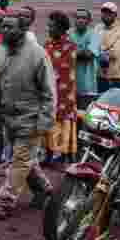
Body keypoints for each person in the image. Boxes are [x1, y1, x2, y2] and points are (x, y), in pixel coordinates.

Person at [0, 13, 57, 220]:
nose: (4, 30)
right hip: (8, 118)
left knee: (20, 159)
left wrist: (45, 121)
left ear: (22, 29)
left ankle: (4, 200)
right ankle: (44, 189)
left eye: (10, 27)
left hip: (31, 117)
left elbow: (49, 91)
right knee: (24, 159)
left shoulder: (37, 54)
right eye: (3, 27)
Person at [44, 11, 78, 164]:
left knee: (65, 120)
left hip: (65, 92)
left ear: (61, 29)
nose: (49, 29)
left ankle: (66, 154)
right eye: (49, 26)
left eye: (52, 27)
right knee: (50, 120)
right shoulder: (47, 44)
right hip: (49, 90)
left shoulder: (70, 46)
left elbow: (63, 68)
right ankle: (49, 153)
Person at [70, 9, 100, 105]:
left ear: (89, 20)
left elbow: (88, 55)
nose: (81, 20)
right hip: (69, 83)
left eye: (84, 18)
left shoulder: (94, 34)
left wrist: (71, 52)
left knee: (86, 111)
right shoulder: (68, 33)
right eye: (78, 18)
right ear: (74, 20)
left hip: (88, 84)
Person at [97, 2, 120, 93]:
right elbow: (93, 47)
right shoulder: (97, 28)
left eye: (109, 13)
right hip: (99, 74)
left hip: (115, 75)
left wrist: (101, 51)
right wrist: (104, 50)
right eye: (104, 12)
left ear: (115, 15)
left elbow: (116, 53)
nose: (106, 15)